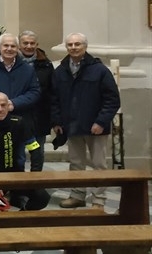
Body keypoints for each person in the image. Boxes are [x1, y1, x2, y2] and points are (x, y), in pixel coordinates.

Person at [51, 33, 120, 210]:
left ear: (85, 47)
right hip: (72, 125)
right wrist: (57, 121)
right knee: (76, 163)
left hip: (95, 126)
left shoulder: (100, 70)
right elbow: (54, 98)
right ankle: (77, 195)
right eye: (70, 45)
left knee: (99, 165)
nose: (73, 47)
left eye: (77, 44)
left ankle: (99, 199)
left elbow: (112, 99)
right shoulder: (60, 70)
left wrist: (101, 122)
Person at [0, 34, 41, 152]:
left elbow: (34, 92)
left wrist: (13, 103)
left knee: (18, 158)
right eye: (6, 45)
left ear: (17, 48)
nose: (9, 49)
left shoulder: (28, 69)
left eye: (13, 46)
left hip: (19, 121)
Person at [19, 30, 55, 171]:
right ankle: (17, 184)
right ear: (19, 44)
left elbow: (52, 91)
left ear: (37, 44)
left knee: (38, 152)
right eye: (25, 43)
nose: (29, 46)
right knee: (18, 152)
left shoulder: (46, 64)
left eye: (32, 43)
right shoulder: (12, 62)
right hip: (18, 113)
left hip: (40, 114)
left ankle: (36, 182)